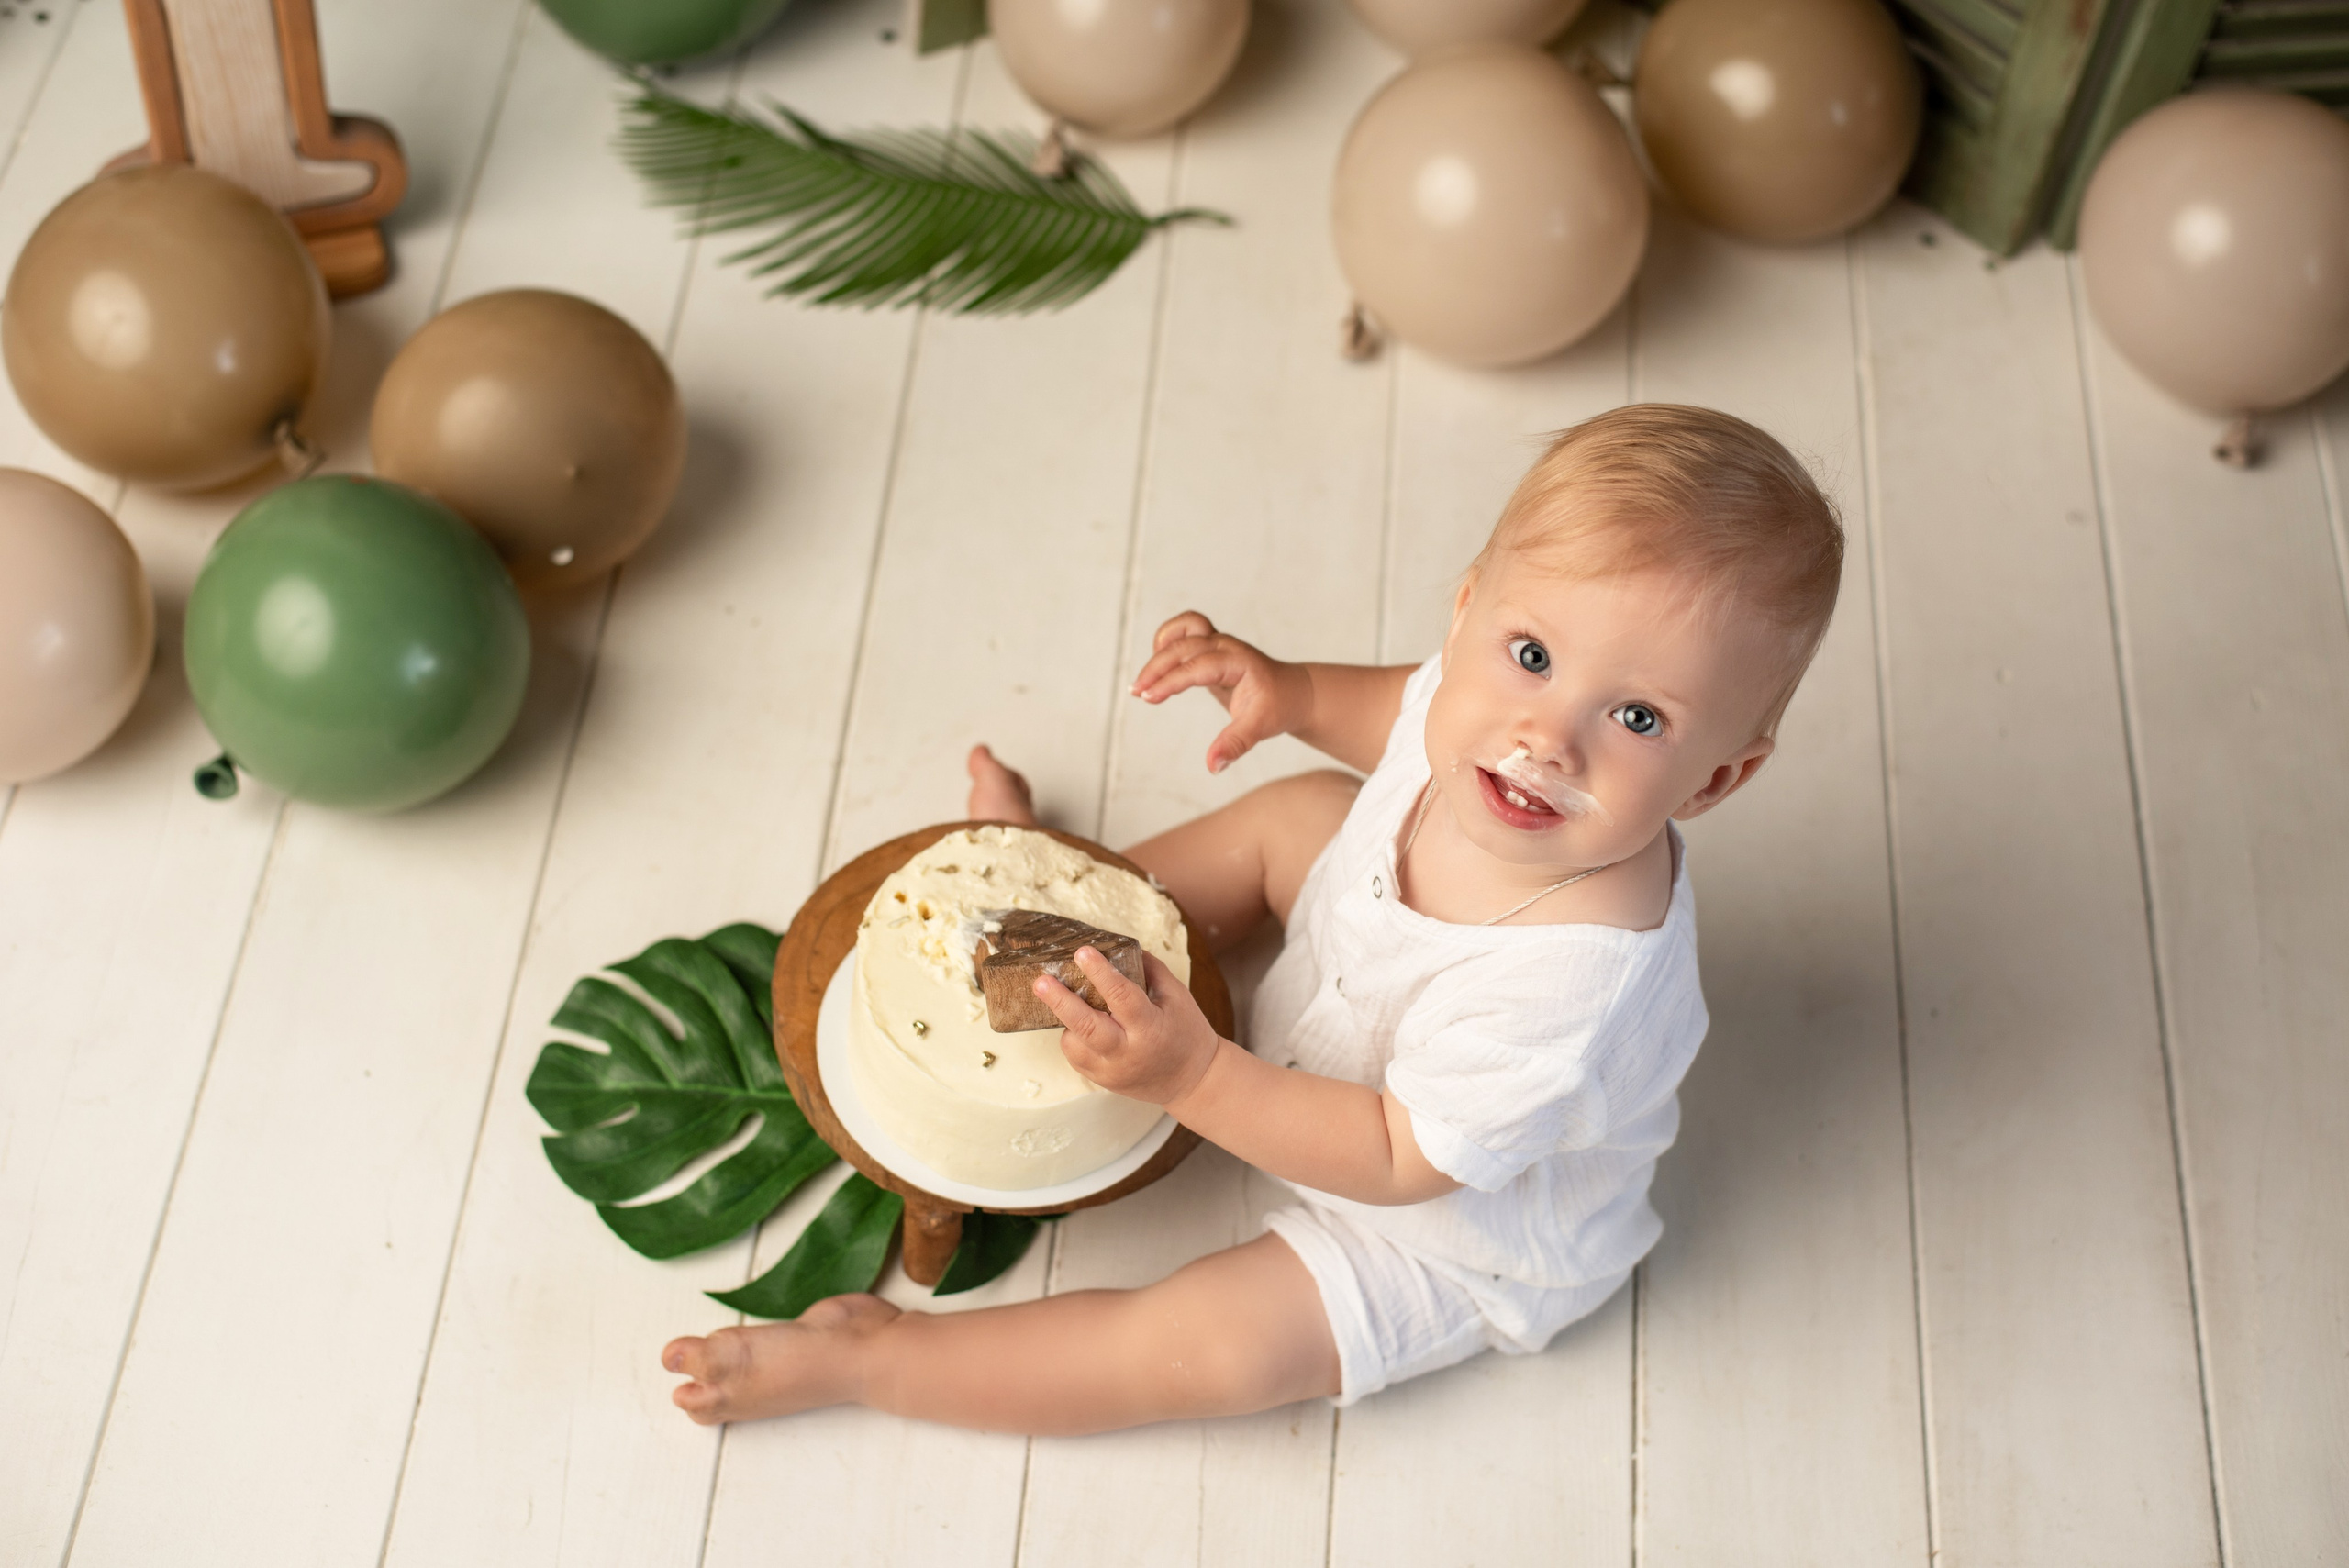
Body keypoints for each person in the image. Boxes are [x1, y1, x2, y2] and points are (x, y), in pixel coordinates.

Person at [664, 403, 1843, 1430]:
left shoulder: (1571, 990)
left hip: (1442, 1227)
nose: (1547, 735)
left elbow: (1396, 1155)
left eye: (1637, 719)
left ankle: (876, 1361)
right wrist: (1289, 690)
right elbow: (1400, 708)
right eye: (1529, 652)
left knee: (1209, 1349)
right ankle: (1033, 908)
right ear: (1470, 608)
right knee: (1297, 814)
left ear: (1715, 780)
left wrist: (1194, 1076)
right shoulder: (1496, 701)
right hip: (1350, 967)